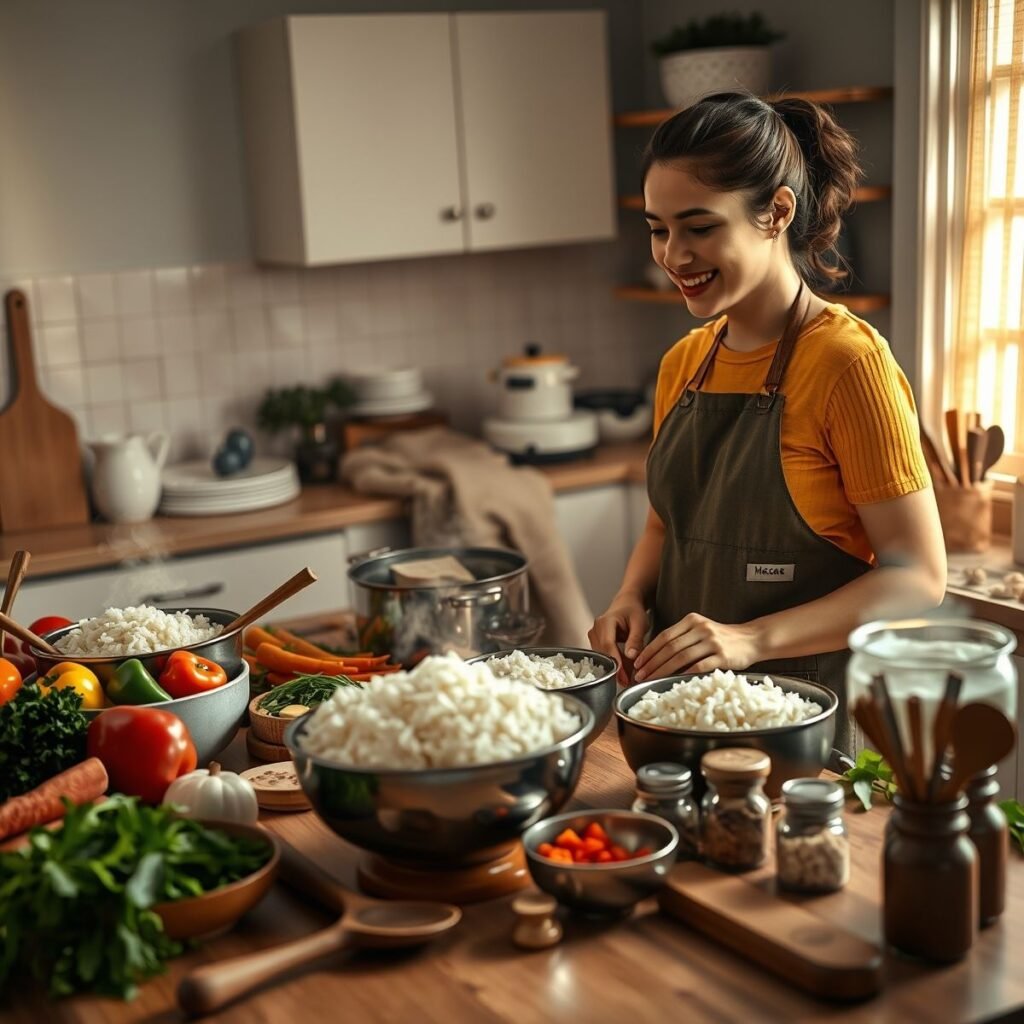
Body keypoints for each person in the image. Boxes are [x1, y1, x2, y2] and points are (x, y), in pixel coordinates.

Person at [588, 93, 946, 752]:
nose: (673, 255)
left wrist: (749, 640)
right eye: (658, 228)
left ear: (776, 212)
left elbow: (917, 576)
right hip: (680, 722)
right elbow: (668, 524)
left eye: (699, 227)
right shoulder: (685, 363)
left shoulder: (848, 362)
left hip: (806, 741)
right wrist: (629, 597)